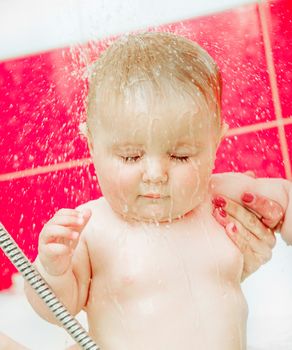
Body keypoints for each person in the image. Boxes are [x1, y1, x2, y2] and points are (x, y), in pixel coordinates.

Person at [3, 32, 290, 350]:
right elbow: (57, 310)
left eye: (181, 155)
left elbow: (285, 200)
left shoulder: (224, 198)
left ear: (216, 142)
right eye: (130, 156)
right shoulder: (94, 228)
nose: (155, 175)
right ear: (93, 146)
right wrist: (54, 270)